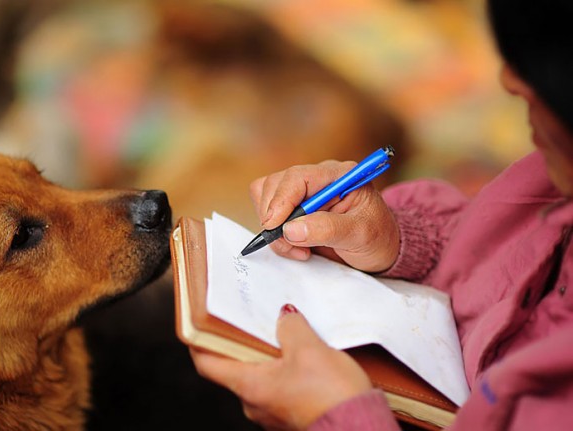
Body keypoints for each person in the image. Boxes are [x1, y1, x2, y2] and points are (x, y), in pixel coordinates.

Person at [189, 0, 573, 429]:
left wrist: (339, 419)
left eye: (544, 70)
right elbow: (484, 252)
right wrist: (399, 240)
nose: (509, 81)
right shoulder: (548, 175)